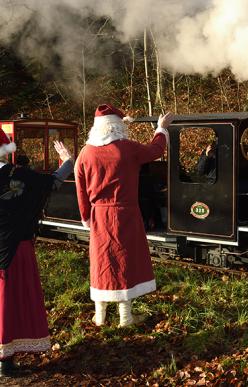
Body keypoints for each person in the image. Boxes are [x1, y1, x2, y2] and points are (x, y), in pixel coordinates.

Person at [74, 104, 173, 327]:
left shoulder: (85, 152)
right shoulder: (126, 148)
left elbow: (80, 187)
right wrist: (161, 128)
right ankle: (125, 317)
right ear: (117, 127)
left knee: (101, 261)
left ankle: (99, 316)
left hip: (99, 214)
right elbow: (155, 151)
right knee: (124, 261)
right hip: (125, 213)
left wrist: (86, 216)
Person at [0, 130, 73, 376]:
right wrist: (67, 162)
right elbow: (52, 182)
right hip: (13, 250)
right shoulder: (17, 175)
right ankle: (5, 362)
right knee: (9, 303)